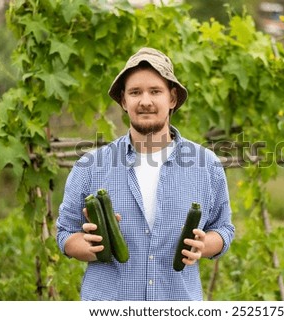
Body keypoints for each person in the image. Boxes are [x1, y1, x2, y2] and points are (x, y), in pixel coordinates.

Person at [56, 47, 235, 301]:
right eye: (135, 92)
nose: (145, 101)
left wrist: (204, 246)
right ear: (123, 101)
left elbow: (223, 228)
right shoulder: (90, 166)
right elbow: (64, 233)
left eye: (155, 91)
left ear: (172, 98)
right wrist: (90, 247)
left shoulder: (206, 165)